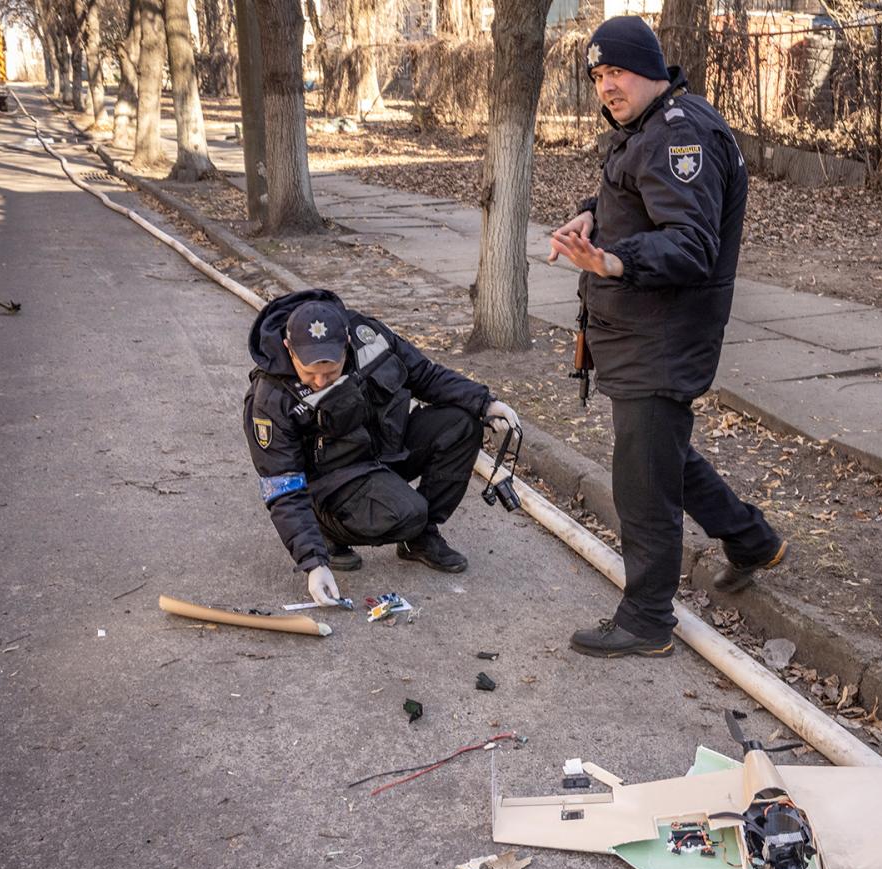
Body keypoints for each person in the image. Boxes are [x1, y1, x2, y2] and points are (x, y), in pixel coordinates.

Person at [549, 16, 785, 660]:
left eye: (616, 72)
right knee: (662, 457)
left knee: (642, 481)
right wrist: (591, 216)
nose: (606, 87)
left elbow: (690, 243)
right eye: (597, 76)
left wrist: (613, 261)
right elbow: (640, 199)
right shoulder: (650, 129)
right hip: (637, 333)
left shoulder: (682, 134)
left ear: (651, 67)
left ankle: (648, 618)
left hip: (662, 335)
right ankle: (751, 539)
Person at [243, 288, 519, 607]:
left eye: (330, 372)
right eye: (310, 374)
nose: (320, 381)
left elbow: (424, 375)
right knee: (409, 511)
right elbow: (283, 486)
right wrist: (313, 563)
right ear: (289, 349)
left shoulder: (369, 336)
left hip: (385, 451)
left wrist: (485, 402)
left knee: (461, 423)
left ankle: (420, 538)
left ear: (346, 341)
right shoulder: (269, 398)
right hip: (335, 481)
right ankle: (326, 532)